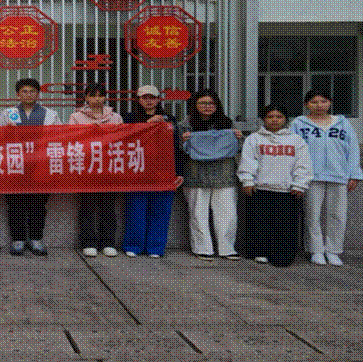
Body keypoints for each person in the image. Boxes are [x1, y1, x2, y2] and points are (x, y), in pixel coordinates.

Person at [289, 90, 361, 266]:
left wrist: (354, 174)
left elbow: (352, 149)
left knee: (338, 214)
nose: (319, 105)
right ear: (306, 104)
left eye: (323, 101)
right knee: (312, 214)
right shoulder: (299, 123)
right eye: (314, 102)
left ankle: (333, 250)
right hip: (311, 176)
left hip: (339, 174)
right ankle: (316, 250)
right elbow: (293, 148)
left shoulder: (342, 123)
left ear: (330, 103)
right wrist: (296, 175)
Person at [239, 104, 313, 267]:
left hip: (287, 190)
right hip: (260, 189)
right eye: (270, 117)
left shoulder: (296, 140)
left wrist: (300, 184)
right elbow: (248, 161)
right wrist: (247, 180)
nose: (274, 120)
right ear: (263, 119)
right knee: (259, 223)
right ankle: (259, 252)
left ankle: (282, 255)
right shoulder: (254, 139)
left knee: (284, 226)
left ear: (285, 119)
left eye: (279, 117)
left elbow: (303, 164)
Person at [0, 78, 62, 256]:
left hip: (40, 165)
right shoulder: (8, 114)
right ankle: (18, 239)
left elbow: (60, 137)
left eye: (32, 91)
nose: (28, 94)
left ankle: (36, 239)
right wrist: (5, 131)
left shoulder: (50, 114)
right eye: (24, 91)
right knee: (15, 203)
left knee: (38, 203)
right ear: (18, 94)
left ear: (38, 94)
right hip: (15, 165)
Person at [178, 89, 243, 261]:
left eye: (211, 103)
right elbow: (178, 149)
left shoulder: (227, 123)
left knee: (227, 213)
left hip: (224, 174)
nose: (207, 106)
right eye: (202, 103)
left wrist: (238, 138)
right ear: (195, 105)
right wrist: (183, 141)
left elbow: (239, 148)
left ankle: (227, 248)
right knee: (198, 213)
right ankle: (202, 248)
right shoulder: (185, 124)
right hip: (195, 174)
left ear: (217, 105)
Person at [121, 85, 184, 258]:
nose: (148, 101)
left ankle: (155, 247)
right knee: (136, 210)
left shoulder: (169, 119)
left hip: (163, 171)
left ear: (158, 99)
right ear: (138, 100)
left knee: (161, 211)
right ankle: (133, 245)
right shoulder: (129, 118)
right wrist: (147, 125)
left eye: (152, 97)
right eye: (144, 97)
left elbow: (176, 147)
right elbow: (124, 139)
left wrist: (179, 171)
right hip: (137, 170)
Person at [68, 83, 122, 257]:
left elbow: (122, 139)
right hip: (86, 168)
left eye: (100, 95)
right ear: (86, 98)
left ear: (105, 97)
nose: (97, 99)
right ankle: (88, 242)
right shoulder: (76, 116)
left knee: (108, 206)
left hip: (109, 168)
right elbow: (72, 139)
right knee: (87, 206)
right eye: (93, 95)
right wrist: (91, 132)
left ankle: (108, 243)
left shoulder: (115, 117)